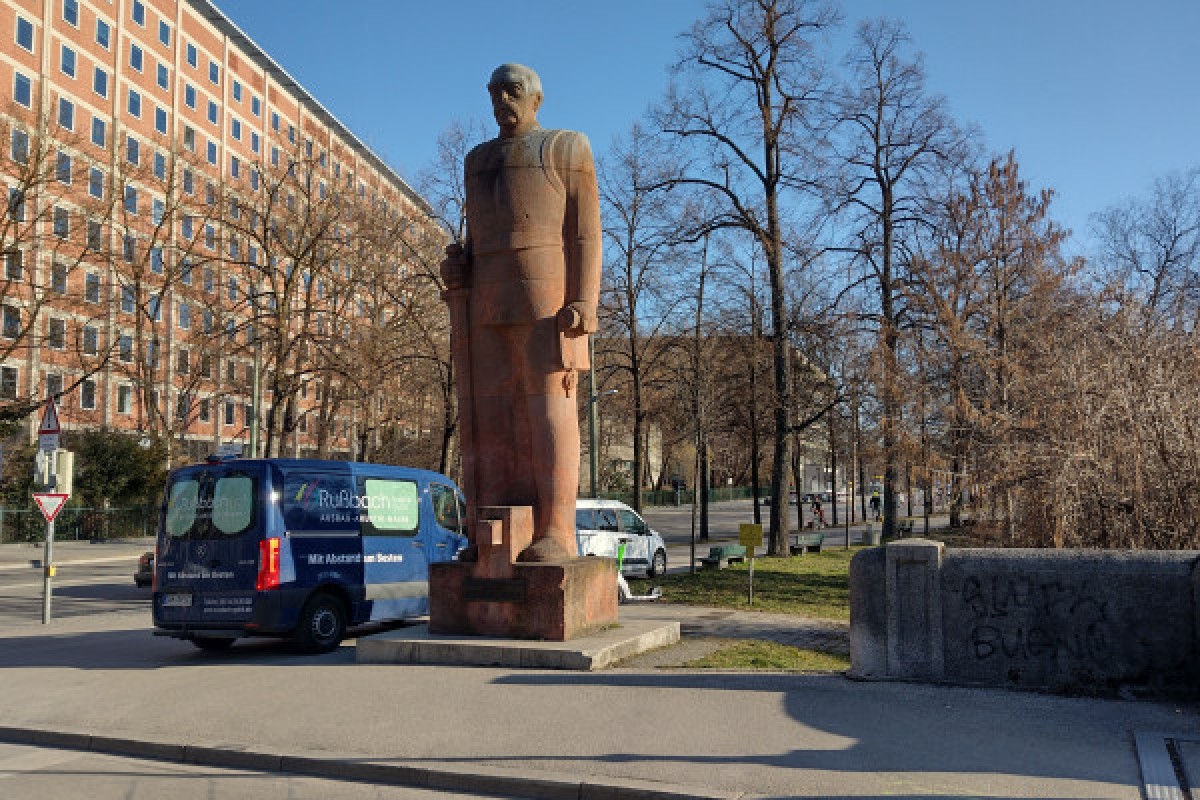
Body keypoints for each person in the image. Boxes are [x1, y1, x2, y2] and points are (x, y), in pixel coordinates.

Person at [442, 63, 602, 564]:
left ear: (536, 98)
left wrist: (584, 302)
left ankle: (555, 530)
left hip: (549, 303)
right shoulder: (478, 160)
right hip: (486, 300)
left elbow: (585, 233)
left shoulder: (566, 147)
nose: (501, 99)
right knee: (492, 416)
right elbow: (477, 236)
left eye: (512, 91)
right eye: (494, 91)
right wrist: (459, 268)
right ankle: (489, 534)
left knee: (548, 409)